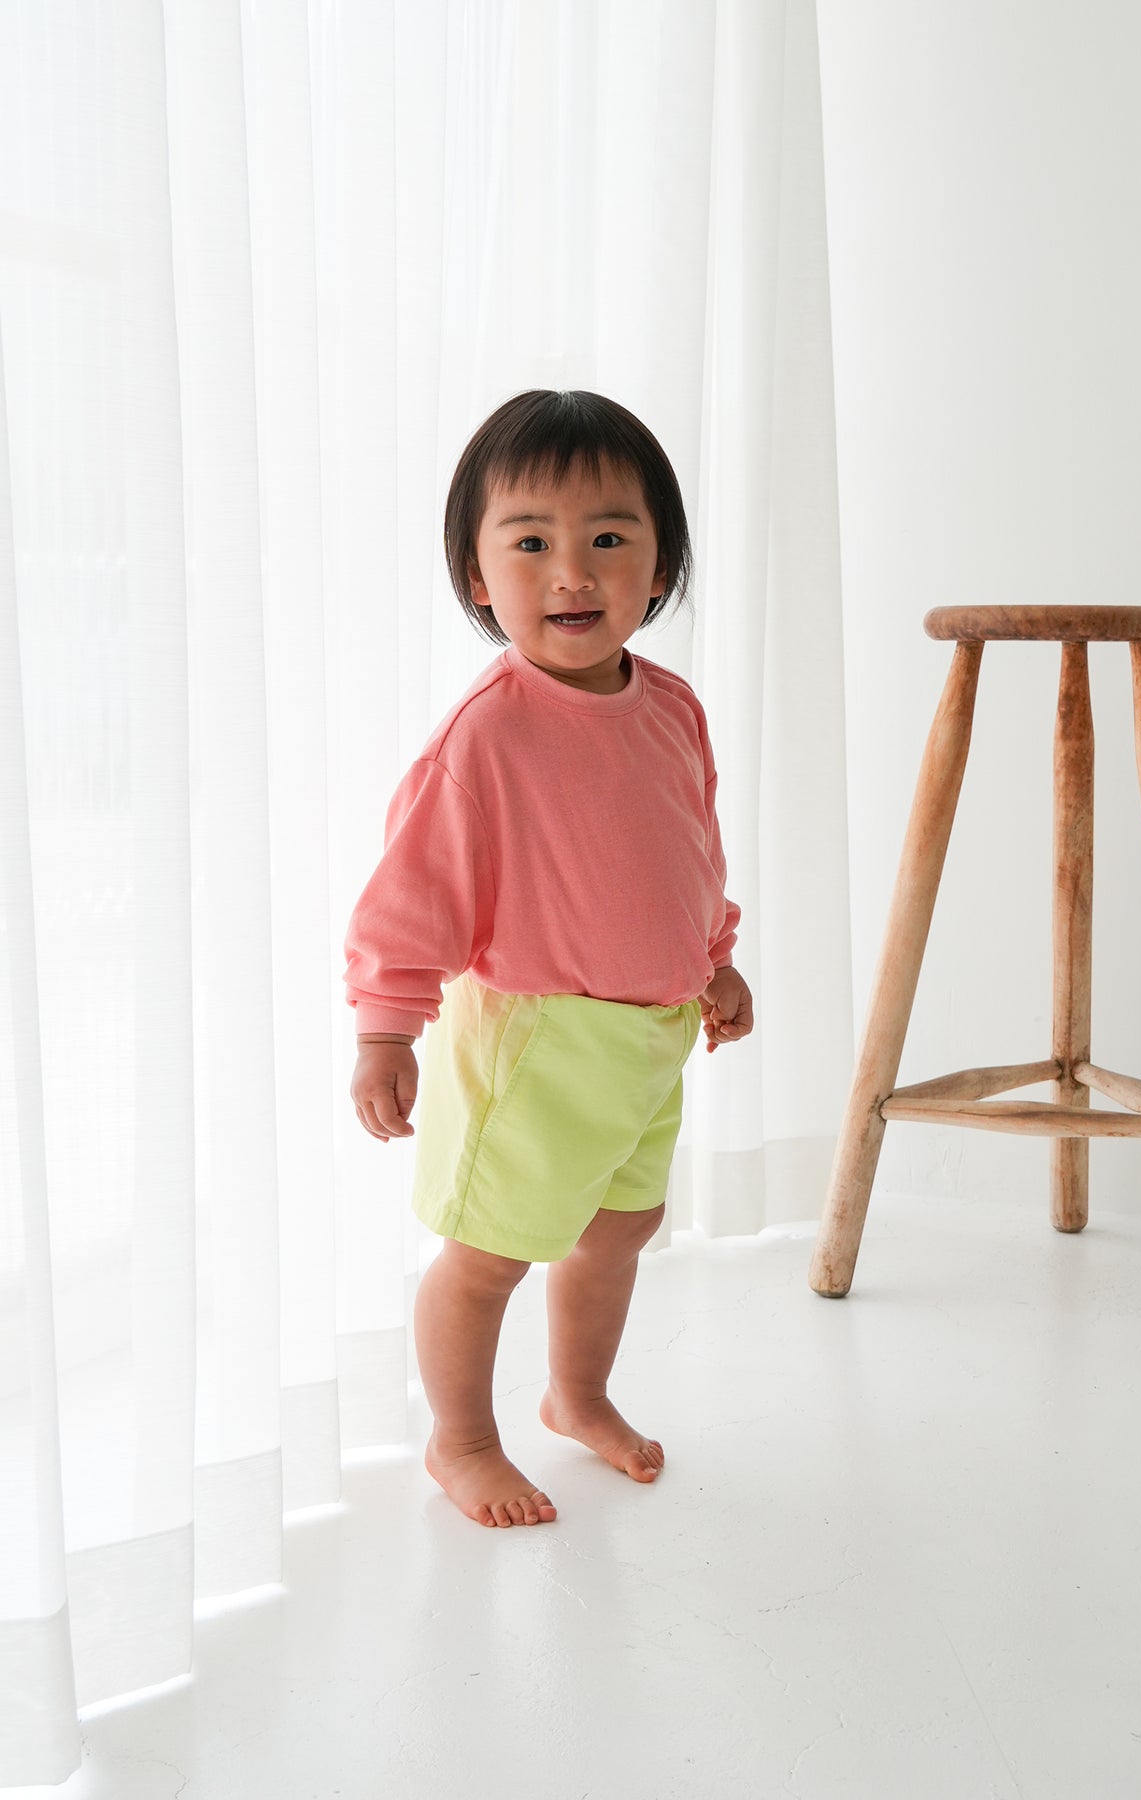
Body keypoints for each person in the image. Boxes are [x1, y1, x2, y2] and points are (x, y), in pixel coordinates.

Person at [343, 389, 753, 1530]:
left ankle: (577, 1396)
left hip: (649, 1037)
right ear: (477, 576)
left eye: (609, 538)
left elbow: (689, 848)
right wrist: (386, 1029)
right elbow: (413, 894)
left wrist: (714, 958)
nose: (573, 572)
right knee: (488, 1254)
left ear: (660, 564)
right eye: (531, 544)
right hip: (533, 1043)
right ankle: (462, 1438)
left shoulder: (672, 708)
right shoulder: (487, 734)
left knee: (619, 1231)